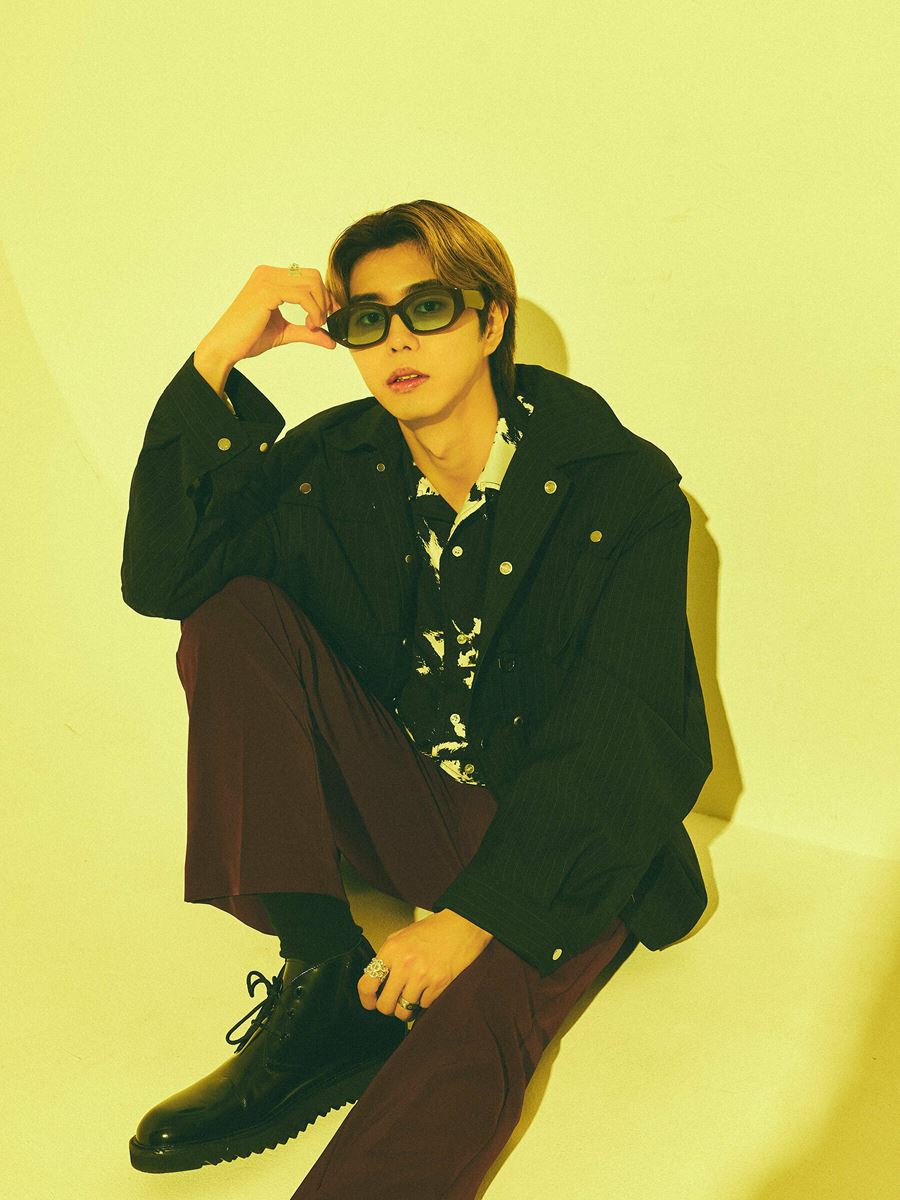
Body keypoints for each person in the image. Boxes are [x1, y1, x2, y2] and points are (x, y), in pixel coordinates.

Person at [121, 199, 712, 1198]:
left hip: (574, 838)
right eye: (368, 318)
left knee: (473, 1014)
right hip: (413, 806)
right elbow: (165, 579)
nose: (396, 339)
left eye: (428, 308)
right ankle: (323, 981)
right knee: (232, 615)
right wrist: (217, 358)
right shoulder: (334, 464)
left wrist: (471, 919)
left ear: (491, 321)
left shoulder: (617, 487)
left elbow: (628, 734)